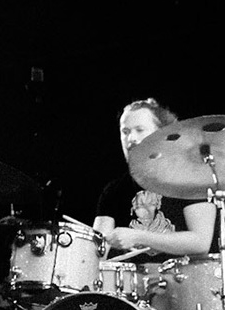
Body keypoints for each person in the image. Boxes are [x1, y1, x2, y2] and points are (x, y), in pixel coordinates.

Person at [92, 98, 216, 260]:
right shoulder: (115, 190)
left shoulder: (190, 178)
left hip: (184, 281)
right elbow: (97, 250)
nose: (131, 139)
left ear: (161, 134)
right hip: (130, 284)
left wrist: (139, 237)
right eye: (125, 132)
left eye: (139, 130)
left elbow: (200, 242)